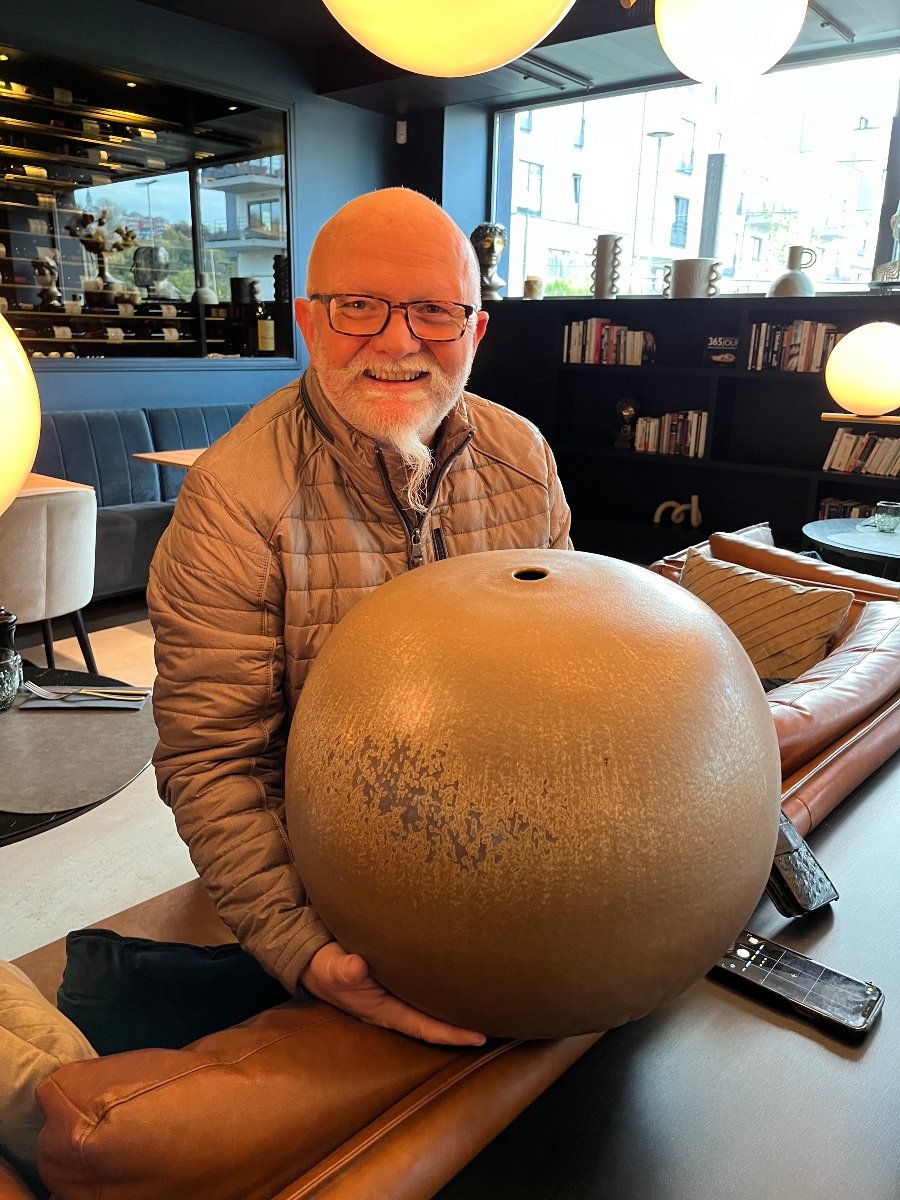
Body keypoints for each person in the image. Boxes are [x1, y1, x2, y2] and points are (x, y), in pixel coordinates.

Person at [148, 187, 570, 1047]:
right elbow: (213, 756)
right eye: (358, 308)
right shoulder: (235, 498)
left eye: (433, 312)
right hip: (331, 880)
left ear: (476, 331)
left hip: (512, 860)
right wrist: (300, 946)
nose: (398, 341)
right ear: (308, 320)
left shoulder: (524, 458)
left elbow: (565, 675)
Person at [469, 221, 507, 302]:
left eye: (499, 243)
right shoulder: (468, 281)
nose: (493, 250)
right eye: (487, 242)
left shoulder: (498, 281)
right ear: (474, 246)